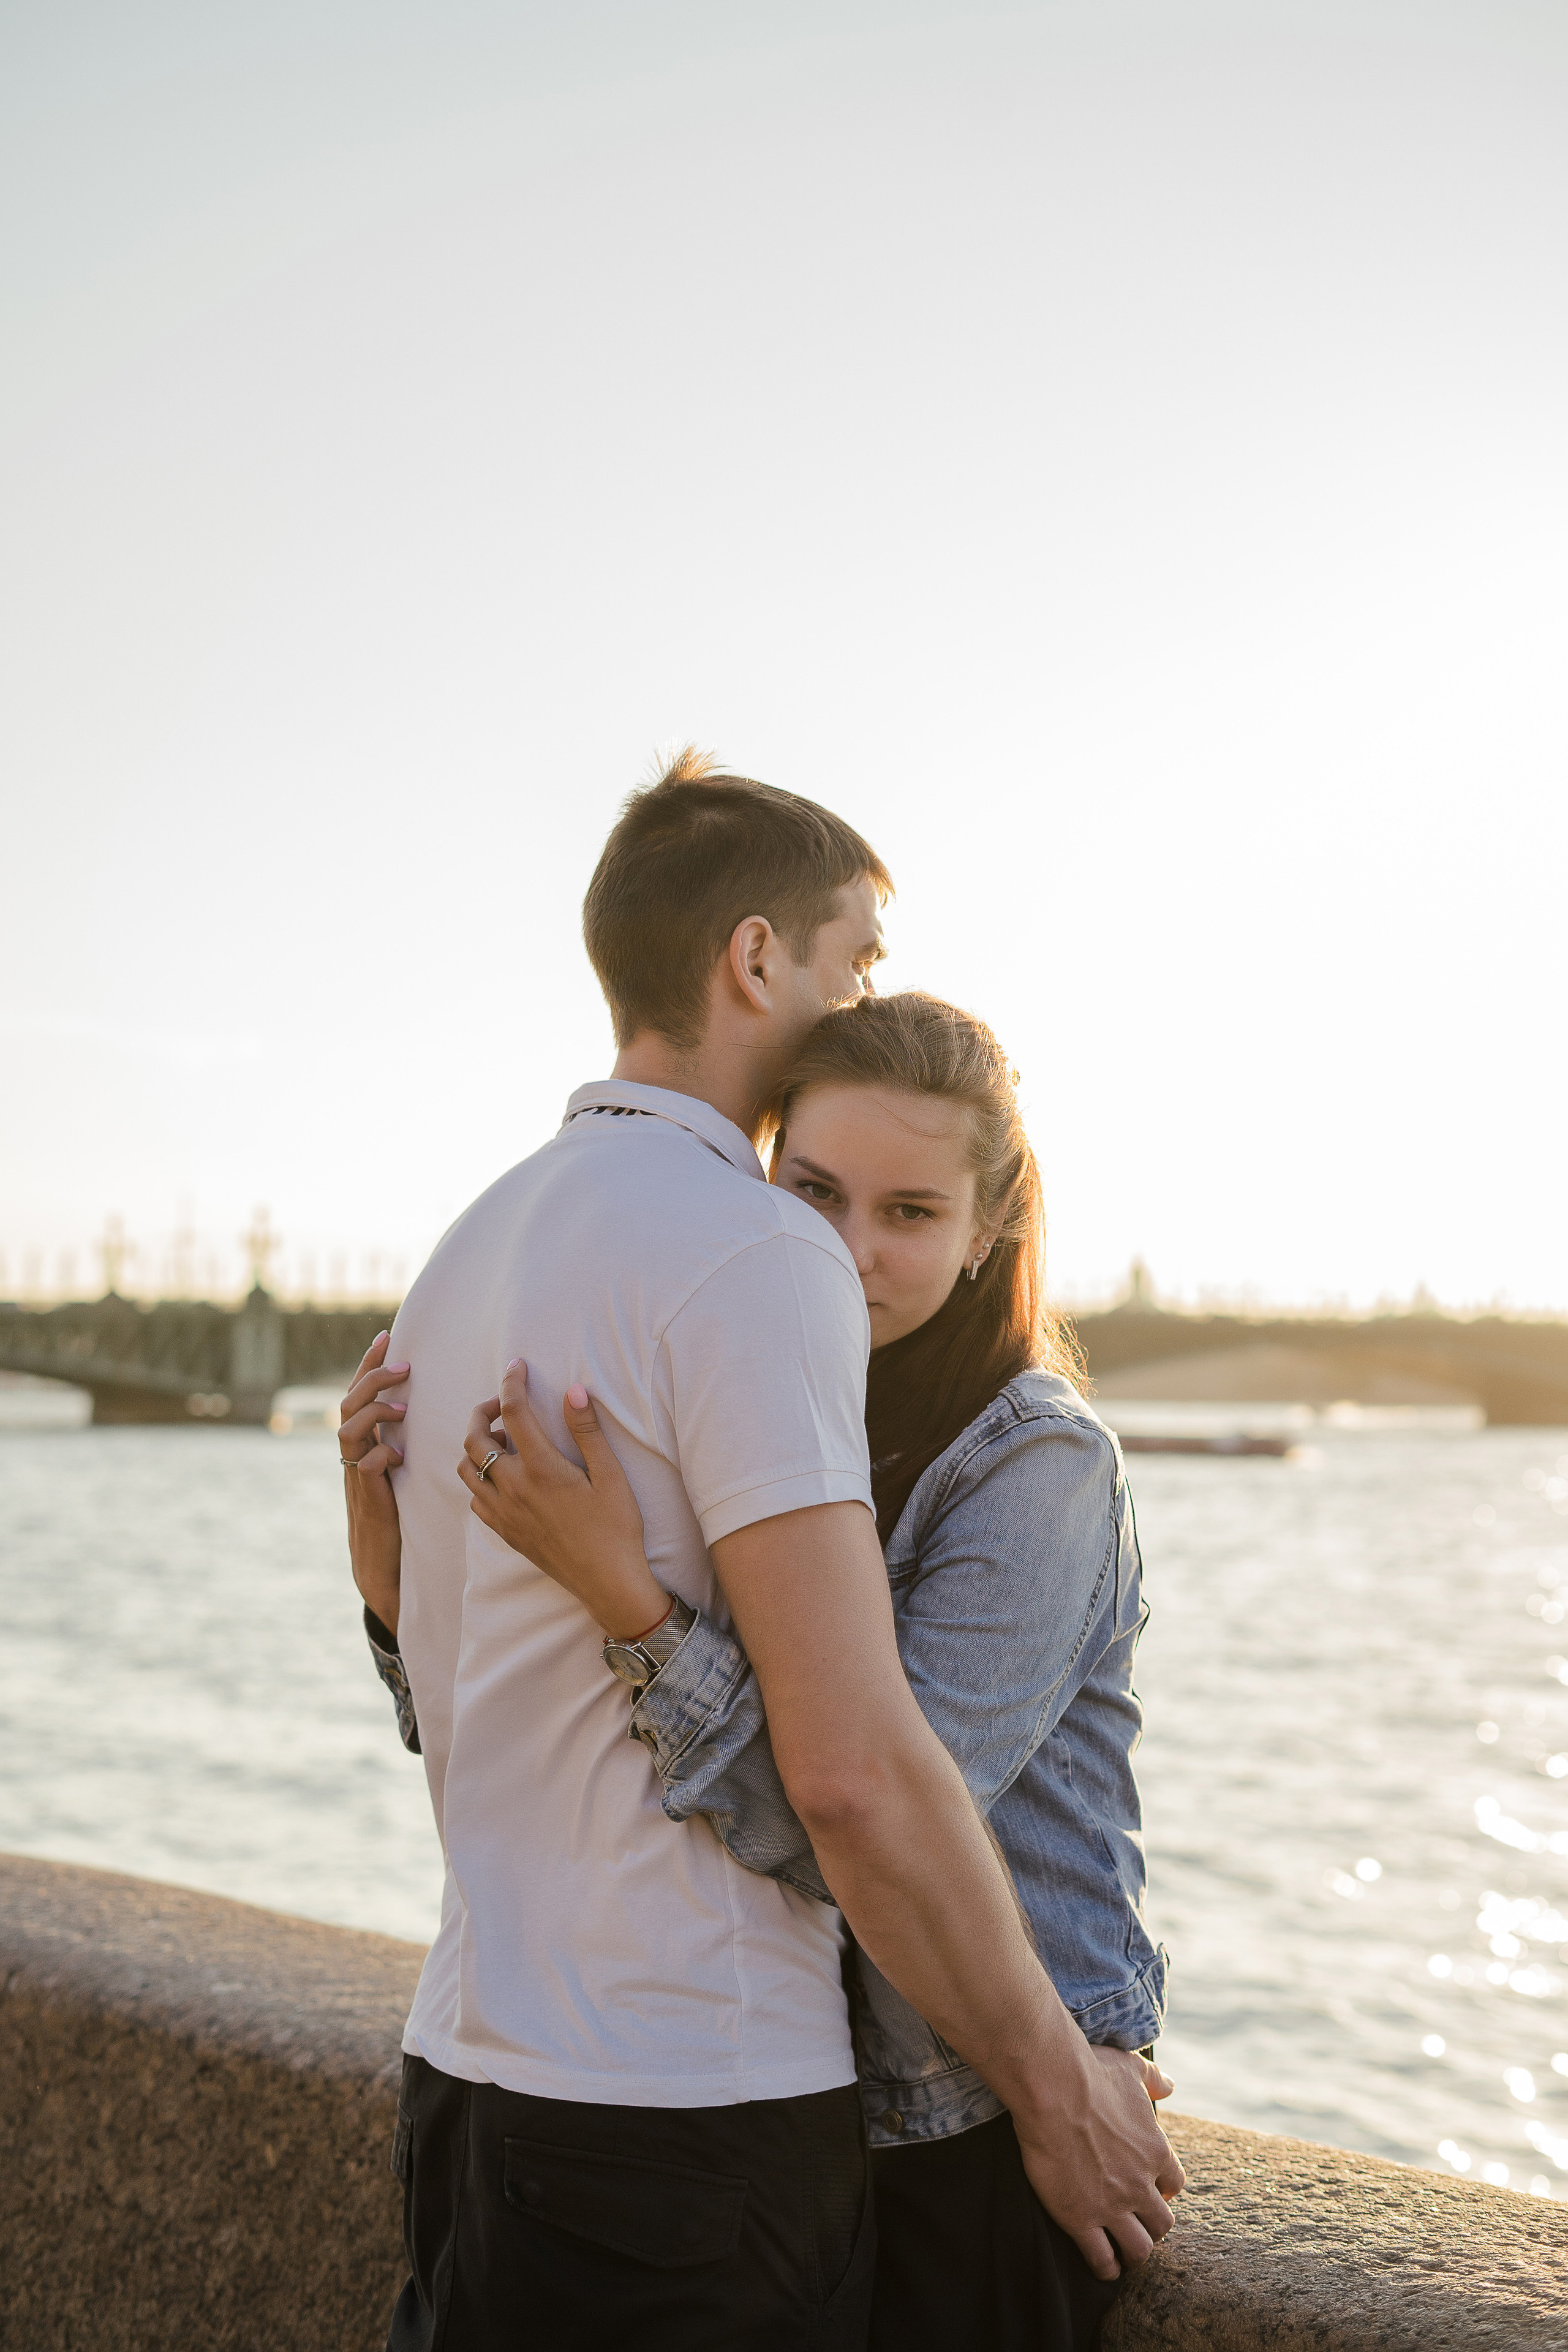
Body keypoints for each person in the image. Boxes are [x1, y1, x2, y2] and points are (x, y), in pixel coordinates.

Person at [339, 750, 1181, 2351]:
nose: (849, 1247)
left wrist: (425, 1593)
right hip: (693, 2098)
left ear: (990, 1223)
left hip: (485, 2068)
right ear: (753, 959)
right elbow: (855, 1784)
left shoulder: (471, 1249)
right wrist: (1055, 2078)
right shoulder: (746, 1260)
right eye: (856, 953)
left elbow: (478, 1703)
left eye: (913, 1212)